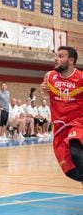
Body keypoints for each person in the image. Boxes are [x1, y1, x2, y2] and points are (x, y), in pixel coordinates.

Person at [40, 46, 83, 183]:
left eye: (60, 56)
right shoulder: (50, 76)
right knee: (71, 171)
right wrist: (44, 93)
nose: (56, 59)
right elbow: (45, 94)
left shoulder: (81, 77)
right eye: (56, 56)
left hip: (78, 123)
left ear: (71, 60)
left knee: (76, 151)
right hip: (59, 128)